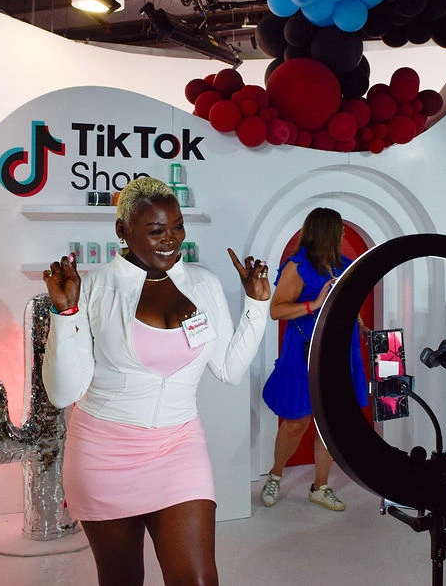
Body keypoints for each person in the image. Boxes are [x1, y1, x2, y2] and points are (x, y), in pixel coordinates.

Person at [41, 176, 270, 586]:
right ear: (122, 230)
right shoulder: (93, 288)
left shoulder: (202, 283)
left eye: (177, 226)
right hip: (104, 452)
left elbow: (230, 370)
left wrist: (257, 304)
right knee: (122, 578)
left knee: (198, 579)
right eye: (155, 230)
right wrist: (66, 315)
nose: (171, 239)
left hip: (180, 447)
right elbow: (63, 393)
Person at [260, 207, 369, 511]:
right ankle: (275, 475)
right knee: (296, 422)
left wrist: (359, 322)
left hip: (340, 349)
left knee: (330, 422)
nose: (344, 233)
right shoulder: (297, 267)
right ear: (327, 232)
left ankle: (320, 487)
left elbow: (347, 303)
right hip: (304, 350)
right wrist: (314, 304)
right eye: (339, 228)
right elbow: (276, 310)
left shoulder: (346, 265)